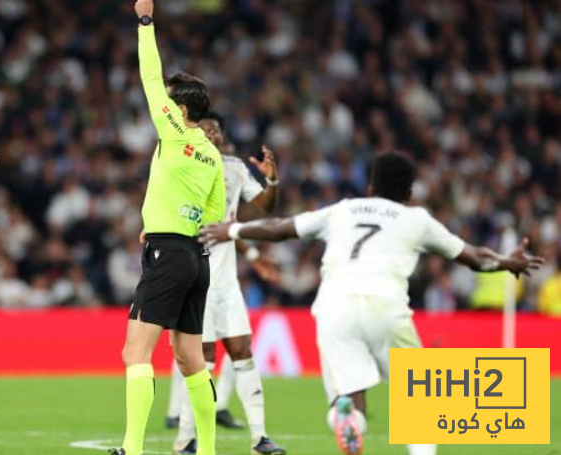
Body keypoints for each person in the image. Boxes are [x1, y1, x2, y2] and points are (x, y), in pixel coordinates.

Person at [199, 151, 543, 455]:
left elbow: (281, 228)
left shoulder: (343, 210)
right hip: (386, 306)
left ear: (371, 186)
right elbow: (474, 257)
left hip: (334, 308)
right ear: (409, 193)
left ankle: (346, 416)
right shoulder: (417, 219)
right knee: (420, 405)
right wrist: (506, 262)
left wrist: (233, 231)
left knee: (349, 398)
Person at [108, 1, 226, 455]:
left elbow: (149, 77)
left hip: (168, 255)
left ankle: (132, 448)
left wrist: (145, 22)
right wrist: (167, 221)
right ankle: (208, 449)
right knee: (191, 359)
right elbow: (213, 213)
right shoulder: (211, 154)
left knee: (135, 353)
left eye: (171, 100)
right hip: (197, 259)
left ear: (180, 108)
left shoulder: (174, 131)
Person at [172, 111, 285, 455]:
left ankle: (259, 438)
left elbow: (264, 207)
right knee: (202, 359)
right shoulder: (182, 165)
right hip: (195, 280)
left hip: (227, 282)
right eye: (204, 129)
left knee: (242, 351)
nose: (210, 134)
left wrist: (272, 181)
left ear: (221, 137)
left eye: (215, 130)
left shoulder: (234, 168)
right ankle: (186, 437)